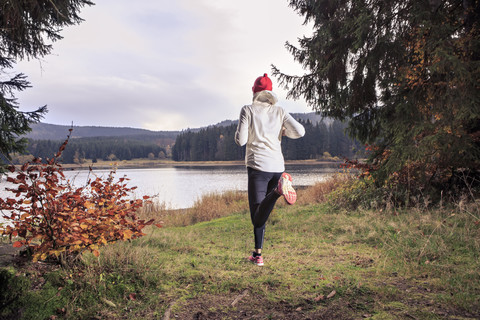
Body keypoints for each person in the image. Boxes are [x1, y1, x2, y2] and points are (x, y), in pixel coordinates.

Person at [235, 73, 305, 266]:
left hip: (258, 167)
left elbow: (240, 140)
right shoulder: (279, 111)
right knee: (263, 212)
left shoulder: (247, 110)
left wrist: (248, 132)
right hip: (277, 168)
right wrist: (283, 132)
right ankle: (258, 255)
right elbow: (300, 131)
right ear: (270, 92)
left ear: (255, 92)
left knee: (257, 218)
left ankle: (277, 192)